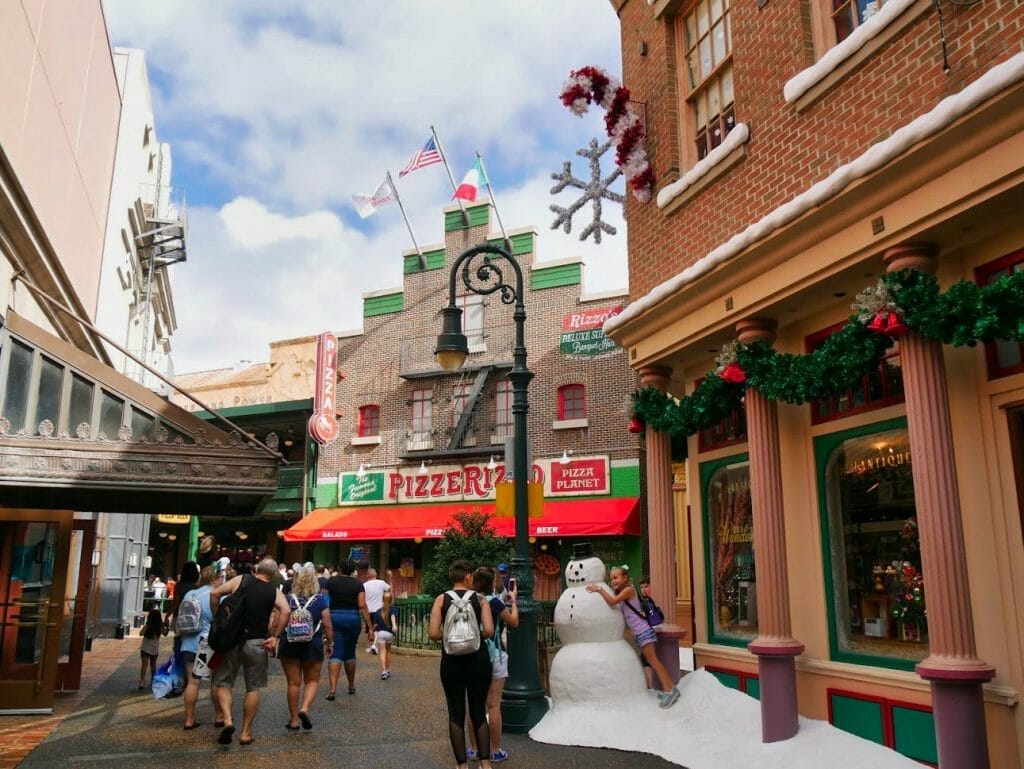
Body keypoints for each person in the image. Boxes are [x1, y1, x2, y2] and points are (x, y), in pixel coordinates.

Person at [209, 556, 292, 746]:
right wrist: (276, 636)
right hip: (257, 642)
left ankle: (228, 720)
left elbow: (214, 594)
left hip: (232, 640)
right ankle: (246, 732)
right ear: (273, 574)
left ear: (257, 569)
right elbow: (286, 611)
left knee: (223, 682)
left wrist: (218, 618)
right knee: (253, 687)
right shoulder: (273, 591)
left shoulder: (242, 580)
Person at [428, 559, 495, 769]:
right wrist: (474, 636)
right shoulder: (481, 599)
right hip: (478, 660)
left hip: (451, 663)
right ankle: (485, 764)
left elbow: (433, 634)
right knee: (478, 713)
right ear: (468, 577)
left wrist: (450, 636)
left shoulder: (441, 600)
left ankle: (462, 766)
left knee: (456, 714)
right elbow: (490, 631)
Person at [587, 565, 680, 708]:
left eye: (616, 577)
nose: (613, 581)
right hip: (640, 633)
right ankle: (672, 689)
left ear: (625, 578)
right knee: (653, 662)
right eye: (611, 578)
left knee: (654, 662)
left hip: (644, 632)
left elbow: (612, 601)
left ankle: (670, 691)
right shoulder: (622, 592)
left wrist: (599, 589)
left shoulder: (628, 590)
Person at [466, 566, 518, 764]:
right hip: (494, 654)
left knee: (473, 704)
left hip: (471, 655)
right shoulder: (494, 602)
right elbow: (513, 622)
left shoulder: (469, 600)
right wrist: (513, 600)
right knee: (493, 705)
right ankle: (495, 750)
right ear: (492, 582)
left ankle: (473, 749)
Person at [279, 564, 333, 731]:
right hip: (313, 644)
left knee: (293, 683)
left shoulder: (287, 599)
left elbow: (277, 620)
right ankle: (305, 709)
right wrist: (330, 642)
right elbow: (327, 625)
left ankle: (294, 720)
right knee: (312, 680)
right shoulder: (320, 601)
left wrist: (273, 637)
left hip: (289, 644)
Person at [179, 563, 227, 729]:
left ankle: (189, 719)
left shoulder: (190, 594)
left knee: (193, 683)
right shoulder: (219, 596)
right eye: (221, 577)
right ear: (215, 579)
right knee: (216, 681)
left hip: (188, 643)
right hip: (210, 644)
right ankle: (219, 716)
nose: (223, 580)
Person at [324, 559, 374, 700]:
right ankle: (351, 686)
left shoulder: (331, 581)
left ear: (339, 569)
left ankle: (332, 689)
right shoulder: (358, 584)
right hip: (352, 618)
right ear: (353, 570)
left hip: (334, 617)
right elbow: (362, 605)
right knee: (350, 652)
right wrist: (370, 627)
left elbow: (324, 600)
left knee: (335, 652)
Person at [638, 575, 665, 689]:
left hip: (651, 633)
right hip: (649, 632)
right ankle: (651, 684)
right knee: (646, 659)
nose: (644, 589)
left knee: (649, 659)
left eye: (646, 586)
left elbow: (659, 618)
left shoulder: (650, 601)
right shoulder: (643, 601)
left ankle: (652, 685)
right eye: (642, 587)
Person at [372, 588, 399, 680]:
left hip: (381, 633)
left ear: (382, 599)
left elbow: (375, 624)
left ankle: (383, 671)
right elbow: (392, 617)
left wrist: (372, 631)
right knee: (388, 651)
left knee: (382, 652)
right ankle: (388, 670)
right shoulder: (393, 609)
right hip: (389, 633)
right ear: (391, 600)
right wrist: (394, 625)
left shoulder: (378, 611)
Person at [362, 568, 390, 654]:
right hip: (379, 609)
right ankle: (375, 646)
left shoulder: (364, 585)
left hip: (368, 610)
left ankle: (372, 645)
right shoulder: (381, 583)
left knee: (369, 629)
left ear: (367, 575)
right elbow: (389, 589)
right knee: (378, 628)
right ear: (376, 575)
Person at [139, 608, 166, 690]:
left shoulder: (148, 626)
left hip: (144, 648)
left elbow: (140, 633)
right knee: (153, 665)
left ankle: (142, 681)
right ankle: (153, 680)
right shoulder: (160, 627)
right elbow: (165, 634)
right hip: (154, 650)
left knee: (144, 665)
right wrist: (166, 626)